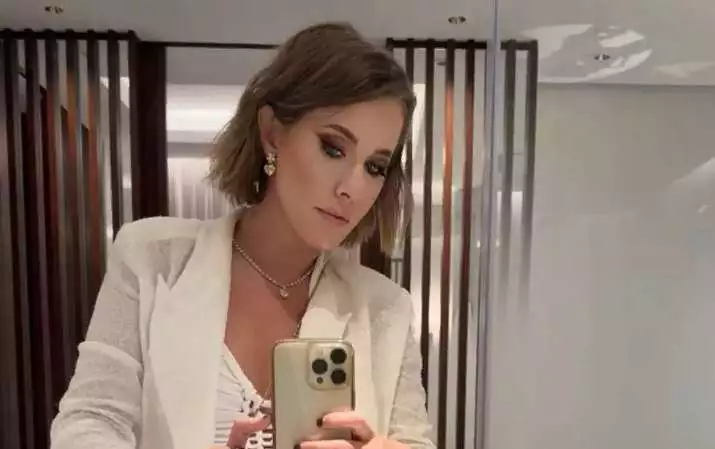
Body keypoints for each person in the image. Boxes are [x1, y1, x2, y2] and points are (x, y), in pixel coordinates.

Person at [50, 22, 434, 449]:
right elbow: (91, 420)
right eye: (333, 148)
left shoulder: (385, 309)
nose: (353, 188)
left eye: (376, 167)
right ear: (272, 133)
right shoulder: (153, 259)